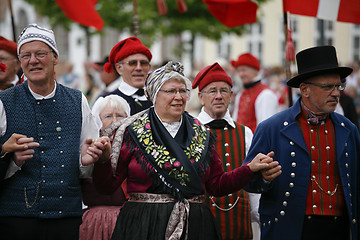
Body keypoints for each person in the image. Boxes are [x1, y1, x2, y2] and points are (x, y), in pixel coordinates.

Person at [81, 61, 281, 240]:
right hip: (144, 225)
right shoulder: (132, 132)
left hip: (194, 224)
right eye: (170, 91)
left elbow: (217, 185)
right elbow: (107, 186)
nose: (178, 97)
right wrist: (104, 160)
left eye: (183, 91)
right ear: (154, 95)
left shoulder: (202, 133)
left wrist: (250, 169)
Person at [242, 46, 360, 240]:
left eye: (338, 86)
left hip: (339, 229)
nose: (336, 93)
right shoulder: (271, 128)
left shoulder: (348, 129)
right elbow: (248, 181)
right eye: (327, 87)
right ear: (304, 89)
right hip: (290, 229)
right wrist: (263, 177)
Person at [0, 23, 102, 240]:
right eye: (25, 55)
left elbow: (87, 163)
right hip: (16, 219)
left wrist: (86, 160)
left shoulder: (77, 101)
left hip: (65, 217)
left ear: (55, 57)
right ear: (20, 63)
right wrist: (9, 157)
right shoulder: (4, 102)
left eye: (40, 53)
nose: (33, 60)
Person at [193, 62, 260, 240]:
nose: (218, 96)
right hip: (202, 221)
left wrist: (259, 215)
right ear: (201, 97)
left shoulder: (245, 132)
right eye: (212, 91)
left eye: (224, 91)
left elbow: (253, 182)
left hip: (239, 219)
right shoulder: (190, 131)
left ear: (231, 96)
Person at [79, 94, 130, 240]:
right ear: (97, 121)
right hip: (96, 222)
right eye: (108, 116)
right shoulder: (90, 148)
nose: (115, 121)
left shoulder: (134, 148)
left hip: (129, 218)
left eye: (120, 116)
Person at [95, 37, 153, 115]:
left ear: (149, 67)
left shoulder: (159, 99)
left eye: (143, 63)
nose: (139, 68)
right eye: (132, 63)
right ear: (119, 68)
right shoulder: (104, 102)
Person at [231, 53, 279, 133]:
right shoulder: (241, 94)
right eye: (239, 71)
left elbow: (266, 129)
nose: (241, 74)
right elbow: (235, 121)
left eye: (244, 70)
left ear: (256, 71)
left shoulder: (265, 94)